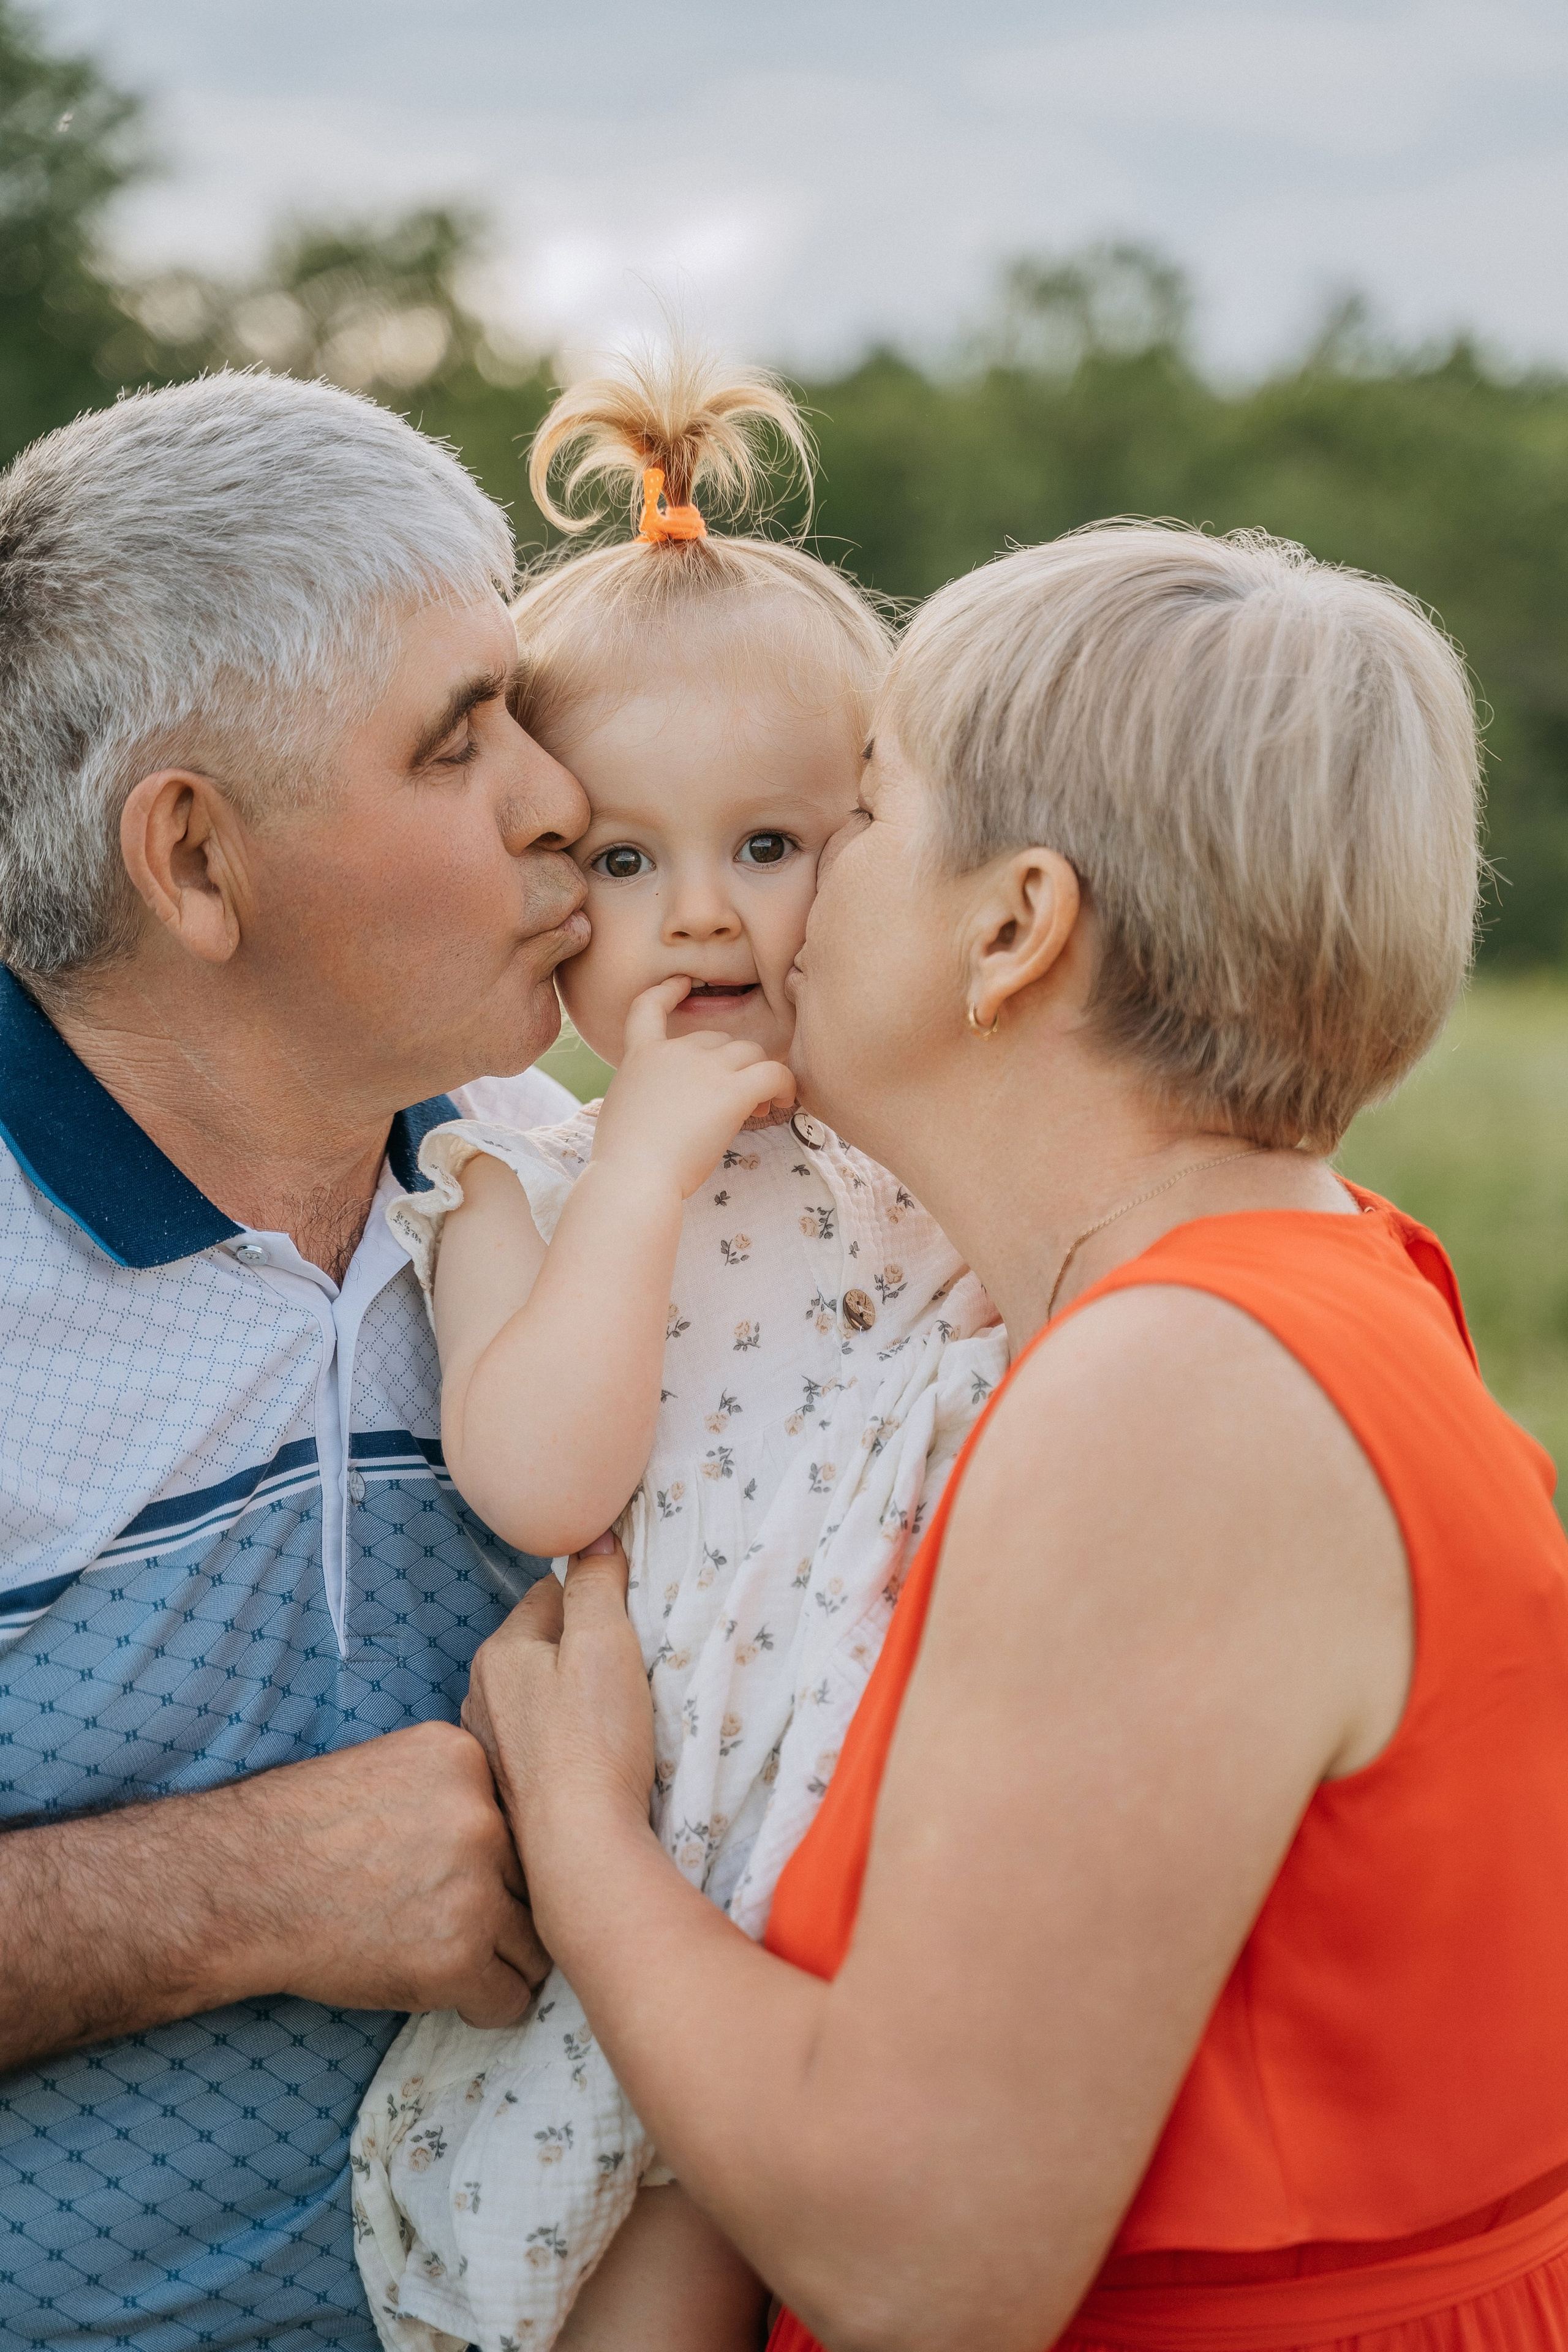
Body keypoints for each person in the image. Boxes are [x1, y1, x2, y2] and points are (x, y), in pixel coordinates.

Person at [459, 523, 1568, 2352]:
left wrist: (580, 1838)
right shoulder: (1298, 1281)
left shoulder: (1175, 1394)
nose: (775, 904)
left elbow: (922, 2268)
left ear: (1014, 927)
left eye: (861, 812)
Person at [350, 355, 1005, 2352]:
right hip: (678, 1830)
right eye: (627, 862)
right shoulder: (513, 1176)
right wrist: (638, 1166)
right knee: (658, 2263)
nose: (703, 920)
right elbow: (540, 1480)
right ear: (548, 881)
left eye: (773, 847)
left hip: (922, 1818)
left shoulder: (924, 1149)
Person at [0, 372, 592, 2351]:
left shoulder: (567, 1187)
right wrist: (238, 1893)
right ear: (194, 859)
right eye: (457, 742)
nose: (561, 801)